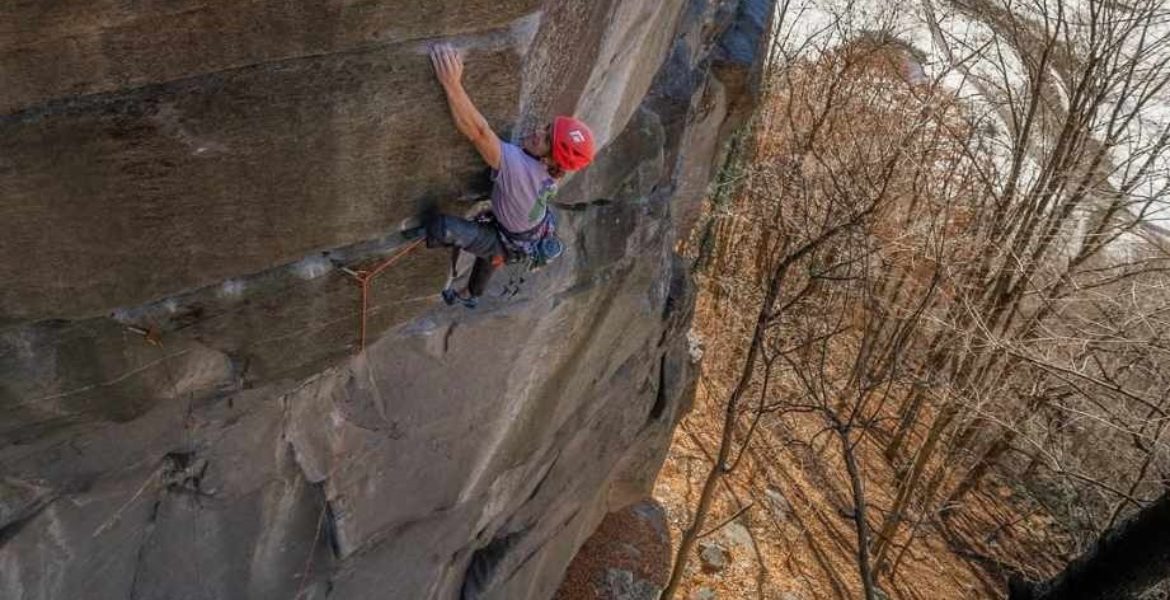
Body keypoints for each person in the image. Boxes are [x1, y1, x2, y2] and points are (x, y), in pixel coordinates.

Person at [410, 44, 595, 308]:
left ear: (549, 159)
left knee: (445, 229)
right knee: (494, 252)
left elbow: (478, 132)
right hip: (523, 233)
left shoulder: (519, 168)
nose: (537, 132)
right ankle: (472, 294)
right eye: (547, 128)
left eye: (545, 139)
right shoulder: (550, 171)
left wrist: (451, 83)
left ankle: (470, 290)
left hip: (512, 240)